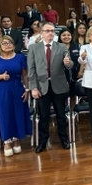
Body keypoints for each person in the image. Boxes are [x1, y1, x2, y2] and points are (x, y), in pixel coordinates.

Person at [27, 22, 73, 153]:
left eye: (52, 31)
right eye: (47, 31)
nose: (50, 33)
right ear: (41, 33)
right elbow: (31, 70)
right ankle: (42, 142)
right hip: (42, 87)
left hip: (59, 86)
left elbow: (69, 65)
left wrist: (68, 63)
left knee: (61, 115)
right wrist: (33, 88)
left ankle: (64, 139)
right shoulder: (34, 48)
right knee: (44, 116)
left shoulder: (61, 47)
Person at [0, 35, 31, 156]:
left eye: (10, 42)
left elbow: (25, 75)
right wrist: (1, 77)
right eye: (5, 43)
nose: (8, 45)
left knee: (17, 114)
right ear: (0, 45)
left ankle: (16, 139)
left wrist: (27, 89)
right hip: (1, 90)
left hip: (17, 89)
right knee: (4, 115)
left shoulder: (20, 57)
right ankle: (6, 141)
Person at [59, 30, 80, 112]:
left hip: (75, 75)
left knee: (73, 95)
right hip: (62, 76)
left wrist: (81, 71)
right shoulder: (57, 47)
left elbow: (82, 61)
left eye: (68, 35)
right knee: (63, 96)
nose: (66, 37)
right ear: (60, 37)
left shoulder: (77, 46)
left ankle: (72, 113)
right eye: (64, 35)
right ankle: (64, 113)